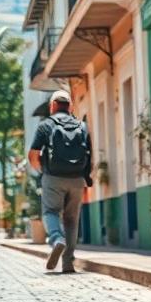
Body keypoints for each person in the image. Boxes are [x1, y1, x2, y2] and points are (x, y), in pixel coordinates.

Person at [28, 90, 92, 273]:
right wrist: (86, 179)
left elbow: (33, 155)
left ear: (52, 106)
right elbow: (90, 156)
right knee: (72, 220)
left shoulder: (45, 125)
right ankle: (68, 263)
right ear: (71, 106)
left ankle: (56, 239)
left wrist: (43, 171)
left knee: (50, 212)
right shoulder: (82, 125)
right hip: (77, 180)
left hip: (53, 177)